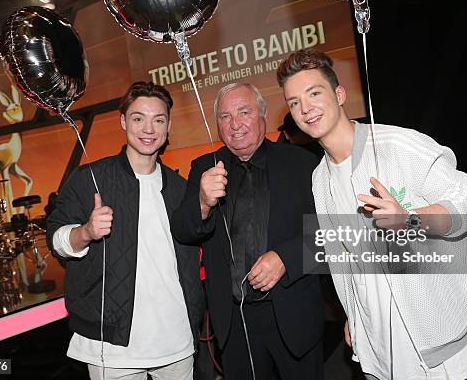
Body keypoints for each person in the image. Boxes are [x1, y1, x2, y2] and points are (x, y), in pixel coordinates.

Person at [277, 49, 467, 380]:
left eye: (314, 93)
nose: (305, 108)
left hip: (436, 339)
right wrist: (353, 314)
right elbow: (342, 259)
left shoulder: (398, 145)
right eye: (293, 102)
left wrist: (410, 219)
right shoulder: (319, 180)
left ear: (339, 94)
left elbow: (466, 203)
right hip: (377, 350)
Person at [47, 81, 205, 380]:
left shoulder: (181, 188)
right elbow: (55, 240)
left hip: (177, 339)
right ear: (123, 121)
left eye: (158, 120)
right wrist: (86, 232)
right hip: (113, 346)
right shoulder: (89, 179)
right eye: (138, 118)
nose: (148, 129)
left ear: (168, 125)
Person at [170, 82, 324, 380]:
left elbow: (329, 235)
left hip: (294, 316)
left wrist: (285, 258)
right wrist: (202, 202)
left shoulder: (302, 163)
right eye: (225, 117)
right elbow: (183, 231)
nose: (235, 124)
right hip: (234, 323)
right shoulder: (204, 167)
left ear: (263, 116)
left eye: (244, 112)